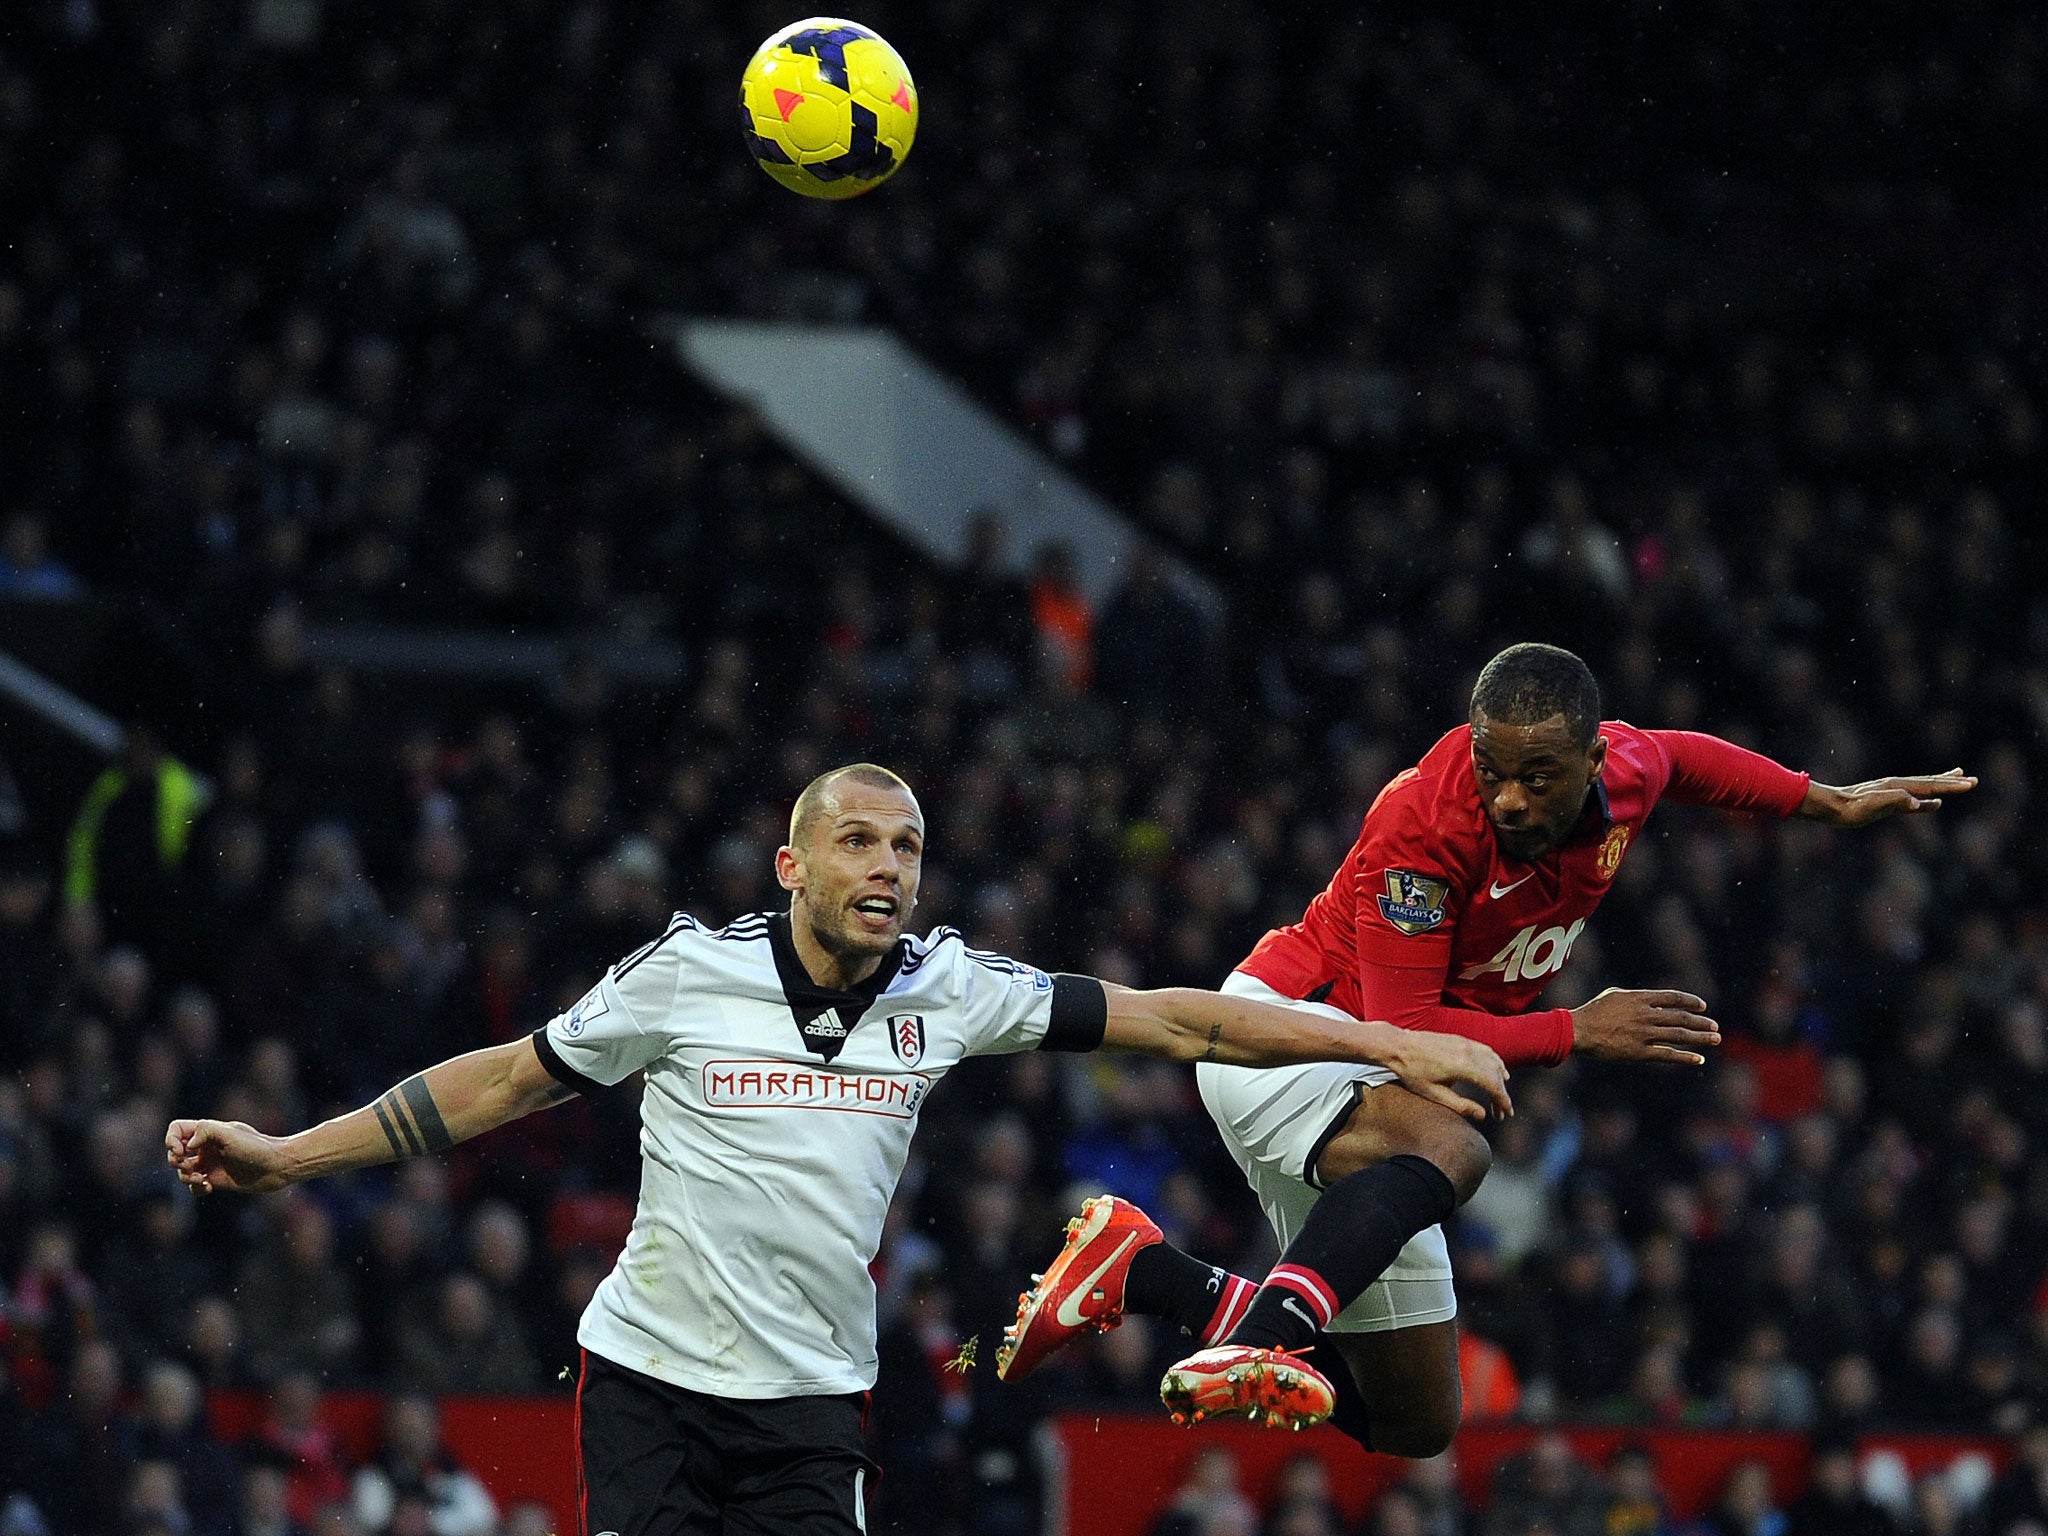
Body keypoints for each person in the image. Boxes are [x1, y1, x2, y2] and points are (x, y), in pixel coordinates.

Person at [166, 763, 1507, 1535]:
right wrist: (287, 1157)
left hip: (812, 1404)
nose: (889, 864)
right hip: (650, 1384)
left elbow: (1167, 1021)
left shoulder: (951, 987)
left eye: (908, 844)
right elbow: (500, 1085)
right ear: (792, 866)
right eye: (857, 840)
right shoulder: (686, 976)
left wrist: (1388, 1050)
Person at [998, 642, 1974, 1448]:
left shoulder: (1625, 773)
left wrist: (1826, 801)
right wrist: (1576, 1031)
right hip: (1293, 1026)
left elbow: (1683, 758)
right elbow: (1404, 1033)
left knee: (1412, 1422)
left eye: (1536, 777)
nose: (1506, 797)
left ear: (1592, 764)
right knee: (1455, 1147)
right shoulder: (1423, 827)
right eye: (1491, 768)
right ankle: (1263, 1338)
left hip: (1383, 1065)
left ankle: (1141, 1273)